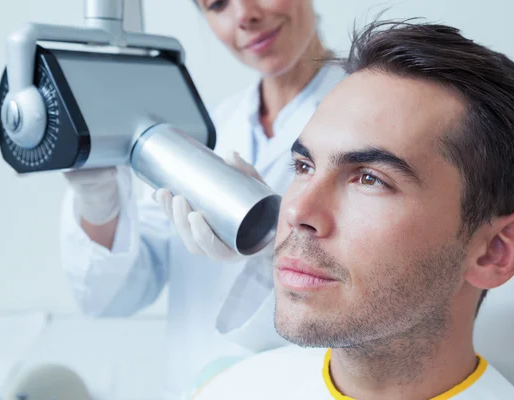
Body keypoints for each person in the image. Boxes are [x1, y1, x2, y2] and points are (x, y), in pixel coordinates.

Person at [191, 18, 514, 400]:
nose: (296, 210)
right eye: (304, 166)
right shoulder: (232, 389)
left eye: (369, 179)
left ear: (494, 251)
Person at [59, 0, 346, 398]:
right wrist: (99, 203)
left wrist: (274, 245)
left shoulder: (371, 115)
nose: (244, 15)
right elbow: (112, 296)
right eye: (217, 4)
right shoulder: (204, 129)